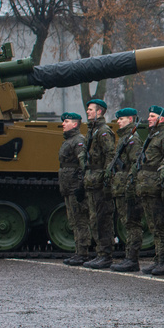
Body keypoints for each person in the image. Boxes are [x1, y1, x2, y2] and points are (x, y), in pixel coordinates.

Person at [136, 106, 164, 276]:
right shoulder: (154, 136)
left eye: (152, 116)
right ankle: (159, 258)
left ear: (161, 119)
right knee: (154, 227)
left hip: (157, 188)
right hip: (148, 188)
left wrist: (163, 187)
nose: (149, 118)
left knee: (162, 226)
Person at [82, 99, 116, 269]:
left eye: (90, 110)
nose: (87, 112)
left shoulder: (103, 132)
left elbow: (111, 156)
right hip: (92, 180)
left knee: (102, 219)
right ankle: (100, 253)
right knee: (94, 218)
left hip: (99, 181)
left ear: (100, 112)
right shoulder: (93, 131)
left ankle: (106, 254)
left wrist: (106, 178)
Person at [109, 108, 144, 272]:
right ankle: (128, 257)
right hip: (120, 186)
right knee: (126, 223)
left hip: (126, 188)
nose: (118, 122)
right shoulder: (124, 138)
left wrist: (130, 187)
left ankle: (132, 259)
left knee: (132, 224)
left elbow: (136, 165)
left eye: (121, 119)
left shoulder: (132, 140)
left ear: (130, 119)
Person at [59, 112, 91, 266]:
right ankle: (78, 252)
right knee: (73, 220)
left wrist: (81, 186)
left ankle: (83, 253)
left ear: (75, 124)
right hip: (68, 186)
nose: (63, 124)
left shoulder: (78, 141)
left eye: (66, 121)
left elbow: (83, 165)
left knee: (80, 221)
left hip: (74, 187)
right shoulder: (70, 140)